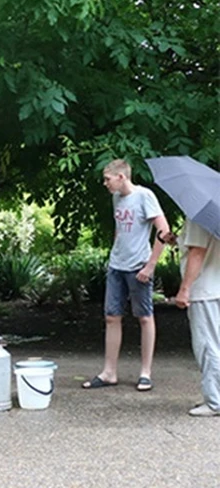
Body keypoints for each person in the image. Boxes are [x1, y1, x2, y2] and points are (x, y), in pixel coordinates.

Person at [83, 159, 170, 392]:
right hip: (117, 265)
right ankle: (109, 372)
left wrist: (150, 265)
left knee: (144, 317)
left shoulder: (145, 196)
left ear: (121, 177)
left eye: (108, 179)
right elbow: (119, 230)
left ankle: (145, 373)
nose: (105, 183)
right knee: (112, 316)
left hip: (139, 266)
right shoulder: (116, 198)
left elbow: (164, 231)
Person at [172, 220, 220, 416]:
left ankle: (215, 400)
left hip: (204, 289)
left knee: (208, 346)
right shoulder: (215, 212)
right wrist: (178, 240)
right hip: (216, 285)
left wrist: (185, 289)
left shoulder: (198, 217)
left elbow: (197, 252)